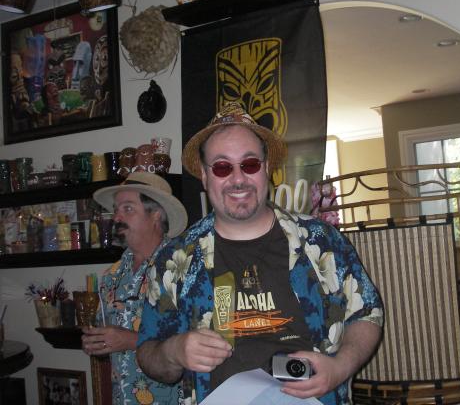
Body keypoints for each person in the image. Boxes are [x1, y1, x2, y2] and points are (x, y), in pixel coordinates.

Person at [137, 102, 384, 404]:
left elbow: (367, 313)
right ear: (204, 175)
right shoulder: (173, 260)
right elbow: (147, 353)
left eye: (250, 164)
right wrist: (174, 351)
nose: (238, 179)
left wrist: (340, 367)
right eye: (222, 167)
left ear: (267, 169)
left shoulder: (322, 241)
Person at [81, 171, 188, 403]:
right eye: (115, 210)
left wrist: (130, 340)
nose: (117, 217)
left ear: (156, 215)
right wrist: (96, 342)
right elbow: (108, 339)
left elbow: (196, 339)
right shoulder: (111, 276)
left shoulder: (182, 267)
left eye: (127, 208)